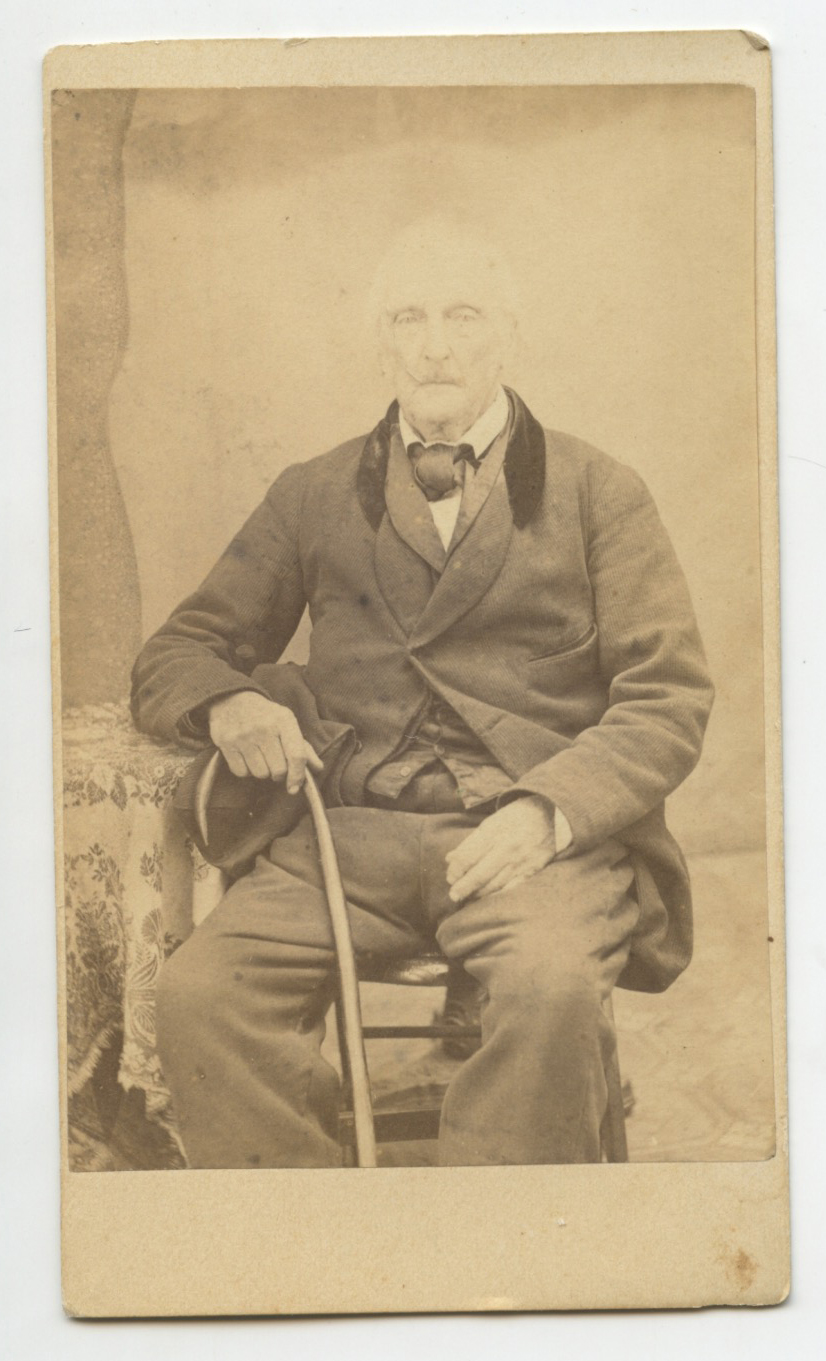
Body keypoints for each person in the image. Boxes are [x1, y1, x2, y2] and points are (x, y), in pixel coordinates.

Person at [131, 216, 714, 1168]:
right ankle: (309, 1239)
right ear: (382, 342)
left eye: (463, 315)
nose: (435, 345)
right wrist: (229, 703)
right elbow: (179, 650)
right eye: (409, 318)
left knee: (550, 989)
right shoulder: (313, 491)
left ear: (510, 335)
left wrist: (549, 812)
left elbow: (669, 696)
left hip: (528, 846)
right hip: (345, 843)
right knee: (202, 998)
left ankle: (490, 1242)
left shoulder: (599, 490)